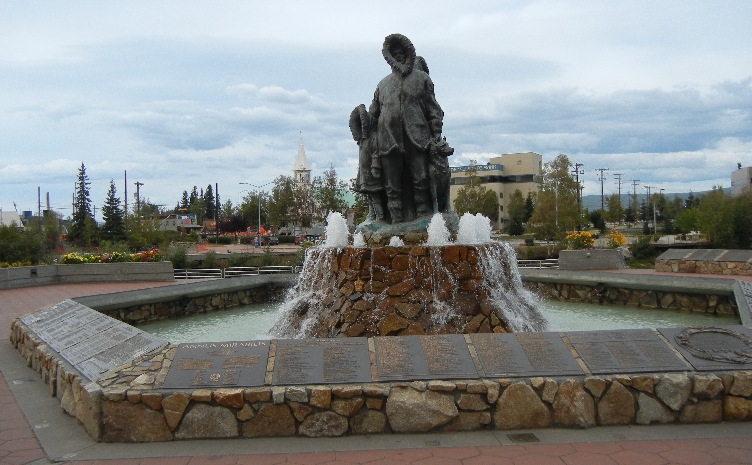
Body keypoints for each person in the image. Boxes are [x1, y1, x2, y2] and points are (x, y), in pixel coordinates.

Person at [369, 34, 444, 223]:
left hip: (417, 136)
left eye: (401, 51)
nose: (398, 55)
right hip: (388, 139)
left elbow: (433, 109)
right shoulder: (383, 84)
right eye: (394, 53)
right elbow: (373, 114)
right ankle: (395, 219)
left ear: (408, 53)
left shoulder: (422, 79)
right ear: (389, 57)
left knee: (421, 178)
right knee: (391, 183)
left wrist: (436, 134)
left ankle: (423, 215)